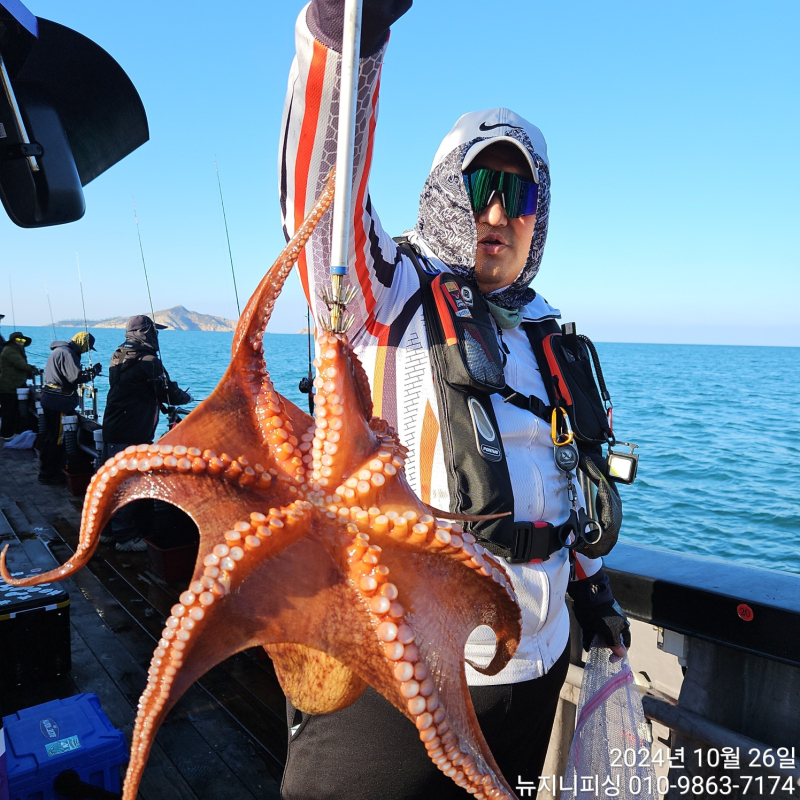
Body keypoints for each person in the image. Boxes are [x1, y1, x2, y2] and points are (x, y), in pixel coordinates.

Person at [278, 2, 632, 798]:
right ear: (446, 188)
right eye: (483, 184)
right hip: (400, 673)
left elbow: (559, 476)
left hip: (533, 667)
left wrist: (592, 582)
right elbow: (317, 201)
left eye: (521, 192)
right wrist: (346, 42)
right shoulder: (383, 290)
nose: (500, 213)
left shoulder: (547, 333)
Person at [101, 315, 192, 551]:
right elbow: (167, 392)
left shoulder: (119, 354)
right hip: (132, 429)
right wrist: (186, 397)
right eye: (155, 331)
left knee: (112, 481)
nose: (157, 336)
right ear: (146, 332)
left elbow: (137, 388)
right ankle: (125, 537)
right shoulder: (149, 360)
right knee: (128, 482)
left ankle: (108, 531)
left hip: (113, 423)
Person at [38, 331, 102, 484]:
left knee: (49, 436)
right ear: (81, 343)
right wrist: (94, 373)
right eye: (87, 347)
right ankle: (49, 475)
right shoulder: (68, 353)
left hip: (48, 398)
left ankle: (44, 470)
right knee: (58, 439)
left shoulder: (58, 350)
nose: (87, 350)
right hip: (59, 402)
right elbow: (76, 377)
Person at [0, 331, 37, 439]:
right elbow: (21, 365)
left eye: (22, 340)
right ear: (13, 341)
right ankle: (6, 434)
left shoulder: (15, 350)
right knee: (9, 411)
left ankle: (10, 432)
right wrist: (32, 369)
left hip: (12, 384)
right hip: (8, 386)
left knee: (12, 410)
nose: (21, 342)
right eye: (18, 340)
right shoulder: (10, 351)